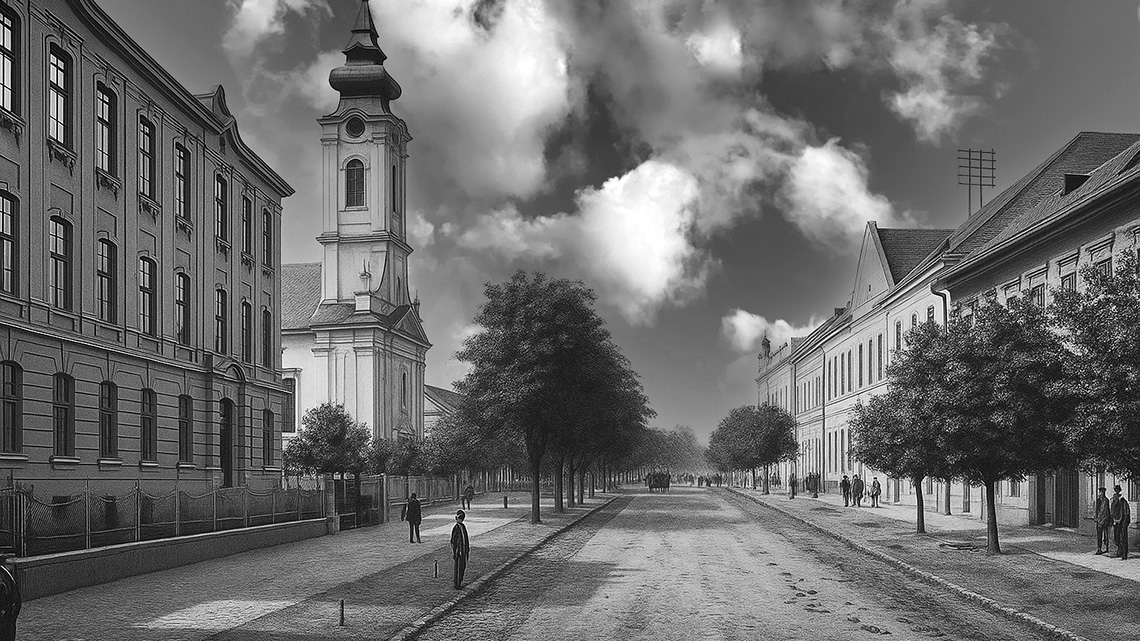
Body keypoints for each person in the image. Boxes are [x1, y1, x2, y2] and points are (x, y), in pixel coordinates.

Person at [451, 509, 471, 589]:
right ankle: (457, 584)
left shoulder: (462, 526)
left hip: (463, 551)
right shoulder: (456, 527)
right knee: (458, 568)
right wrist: (456, 550)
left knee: (462, 567)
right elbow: (453, 540)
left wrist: (466, 549)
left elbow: (465, 539)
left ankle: (460, 581)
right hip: (458, 552)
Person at [1111, 485, 1130, 561]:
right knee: (1117, 537)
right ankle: (1120, 550)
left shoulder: (1123, 501)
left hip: (1123, 521)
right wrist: (1114, 520)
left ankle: (1124, 554)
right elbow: (1113, 512)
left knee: (1123, 537)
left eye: (1117, 491)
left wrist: (1124, 523)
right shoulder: (1113, 501)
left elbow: (1126, 513)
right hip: (1117, 521)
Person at [1094, 487, 1112, 554]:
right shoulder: (1098, 500)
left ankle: (1107, 548)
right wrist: (1096, 518)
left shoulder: (1106, 500)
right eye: (1101, 492)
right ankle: (1099, 548)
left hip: (1105, 520)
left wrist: (1108, 519)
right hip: (1099, 520)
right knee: (1099, 535)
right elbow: (1096, 510)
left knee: (1106, 534)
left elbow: (1107, 510)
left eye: (1103, 492)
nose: (1102, 493)